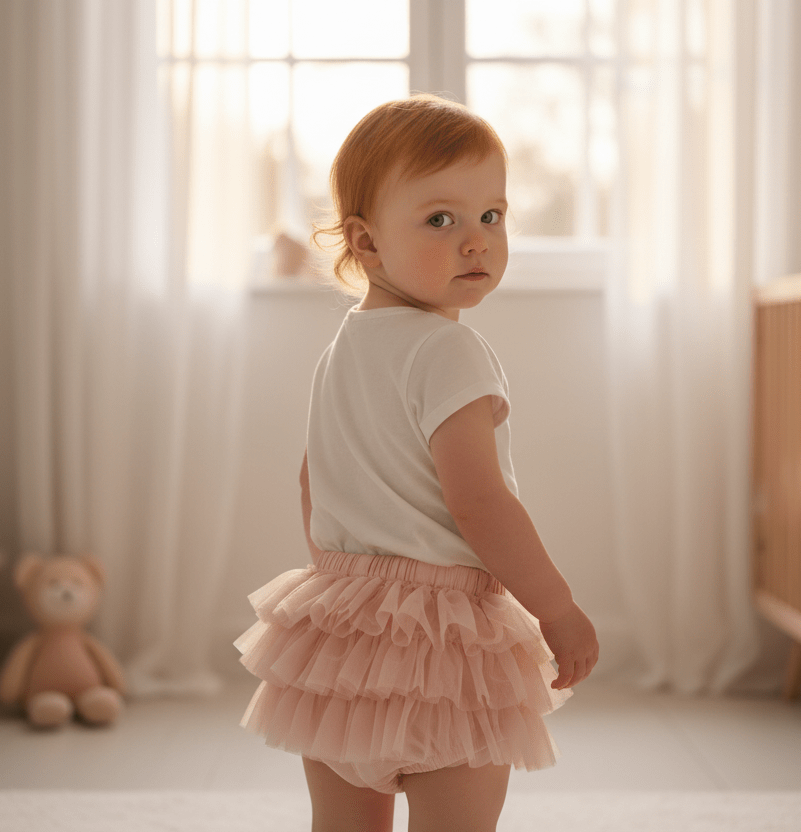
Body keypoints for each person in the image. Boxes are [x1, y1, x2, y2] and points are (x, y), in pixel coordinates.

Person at [235, 93, 599, 832]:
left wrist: (348, 587)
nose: (476, 241)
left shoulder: (342, 349)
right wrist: (555, 607)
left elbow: (312, 480)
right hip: (447, 638)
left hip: (342, 632)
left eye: (491, 216)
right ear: (366, 244)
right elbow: (480, 503)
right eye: (441, 219)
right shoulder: (450, 350)